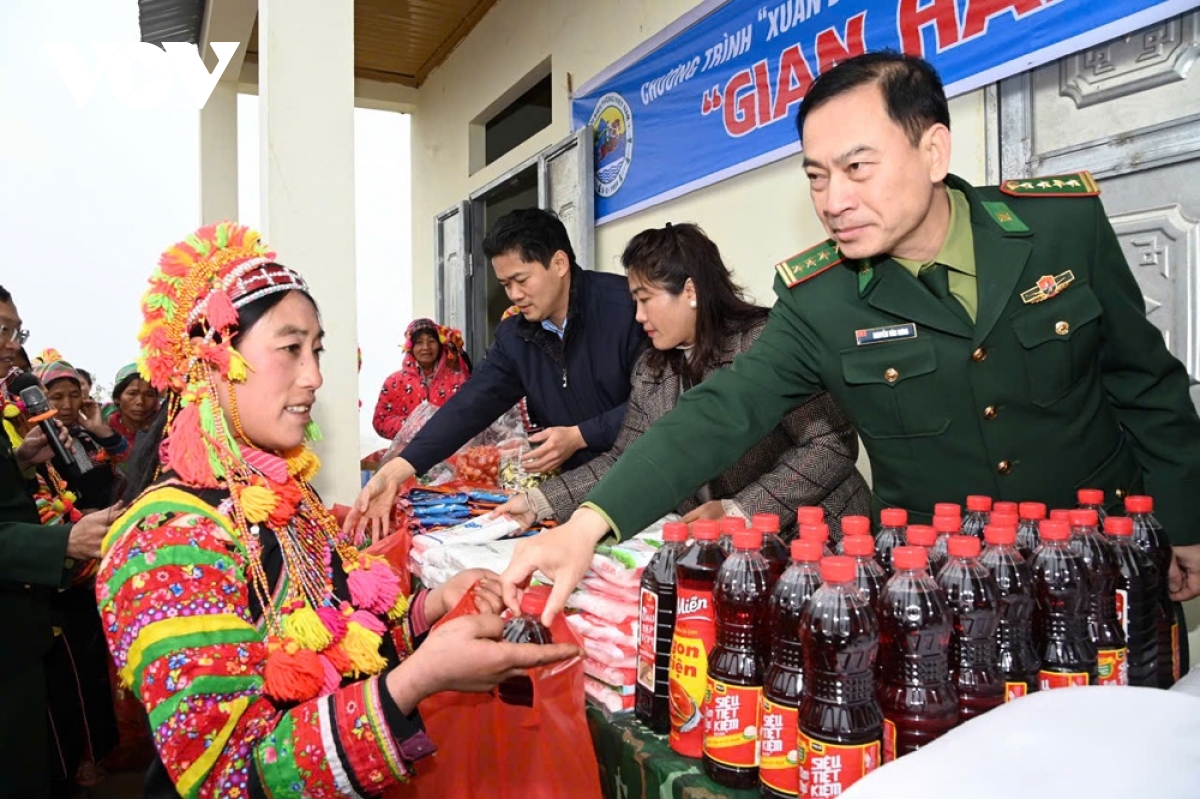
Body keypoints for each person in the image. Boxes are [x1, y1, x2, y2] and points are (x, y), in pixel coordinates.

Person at [499, 51, 1200, 622]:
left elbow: (1146, 386)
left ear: (933, 149)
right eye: (816, 176)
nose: (833, 200)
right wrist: (589, 521)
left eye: (857, 167)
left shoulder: (1061, 229)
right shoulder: (821, 300)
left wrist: (1186, 521)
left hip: (1106, 565)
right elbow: (721, 411)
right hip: (944, 595)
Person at [96, 223, 580, 797]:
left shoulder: (288, 503)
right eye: (290, 348)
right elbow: (230, 777)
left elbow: (342, 642)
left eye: (317, 349)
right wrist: (415, 681)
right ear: (213, 364)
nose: (315, 376)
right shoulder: (166, 541)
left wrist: (430, 608)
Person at [491, 223, 869, 536]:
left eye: (645, 299)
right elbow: (626, 458)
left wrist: (742, 511)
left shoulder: (764, 343)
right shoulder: (653, 368)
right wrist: (540, 502)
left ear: (689, 290)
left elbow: (829, 445)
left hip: (821, 536)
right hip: (728, 550)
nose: (638, 316)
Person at [347, 208, 648, 540]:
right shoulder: (515, 336)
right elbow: (470, 405)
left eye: (521, 280)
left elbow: (659, 402)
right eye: (506, 285)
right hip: (580, 495)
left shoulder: (629, 308)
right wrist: (400, 467)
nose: (515, 295)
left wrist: (582, 434)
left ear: (559, 264)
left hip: (648, 477)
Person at [0, 284, 122, 799]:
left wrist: (19, 462)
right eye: (3, 331)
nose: (12, 346)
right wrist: (61, 544)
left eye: (15, 331)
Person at [31, 358, 126, 510]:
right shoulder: (36, 444)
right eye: (56, 397)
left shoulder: (91, 434)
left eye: (75, 396)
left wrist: (99, 429)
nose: (67, 405)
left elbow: (128, 462)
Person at [372, 318, 470, 440]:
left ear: (440, 345)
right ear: (410, 347)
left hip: (450, 453)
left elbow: (470, 416)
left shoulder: (458, 381)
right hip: (407, 454)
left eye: (431, 341)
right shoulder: (395, 382)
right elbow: (380, 421)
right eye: (419, 342)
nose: (426, 347)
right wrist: (415, 426)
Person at [105, 362, 160, 450]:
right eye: (132, 393)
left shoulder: (166, 435)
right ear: (117, 398)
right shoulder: (102, 432)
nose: (140, 401)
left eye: (149, 394)